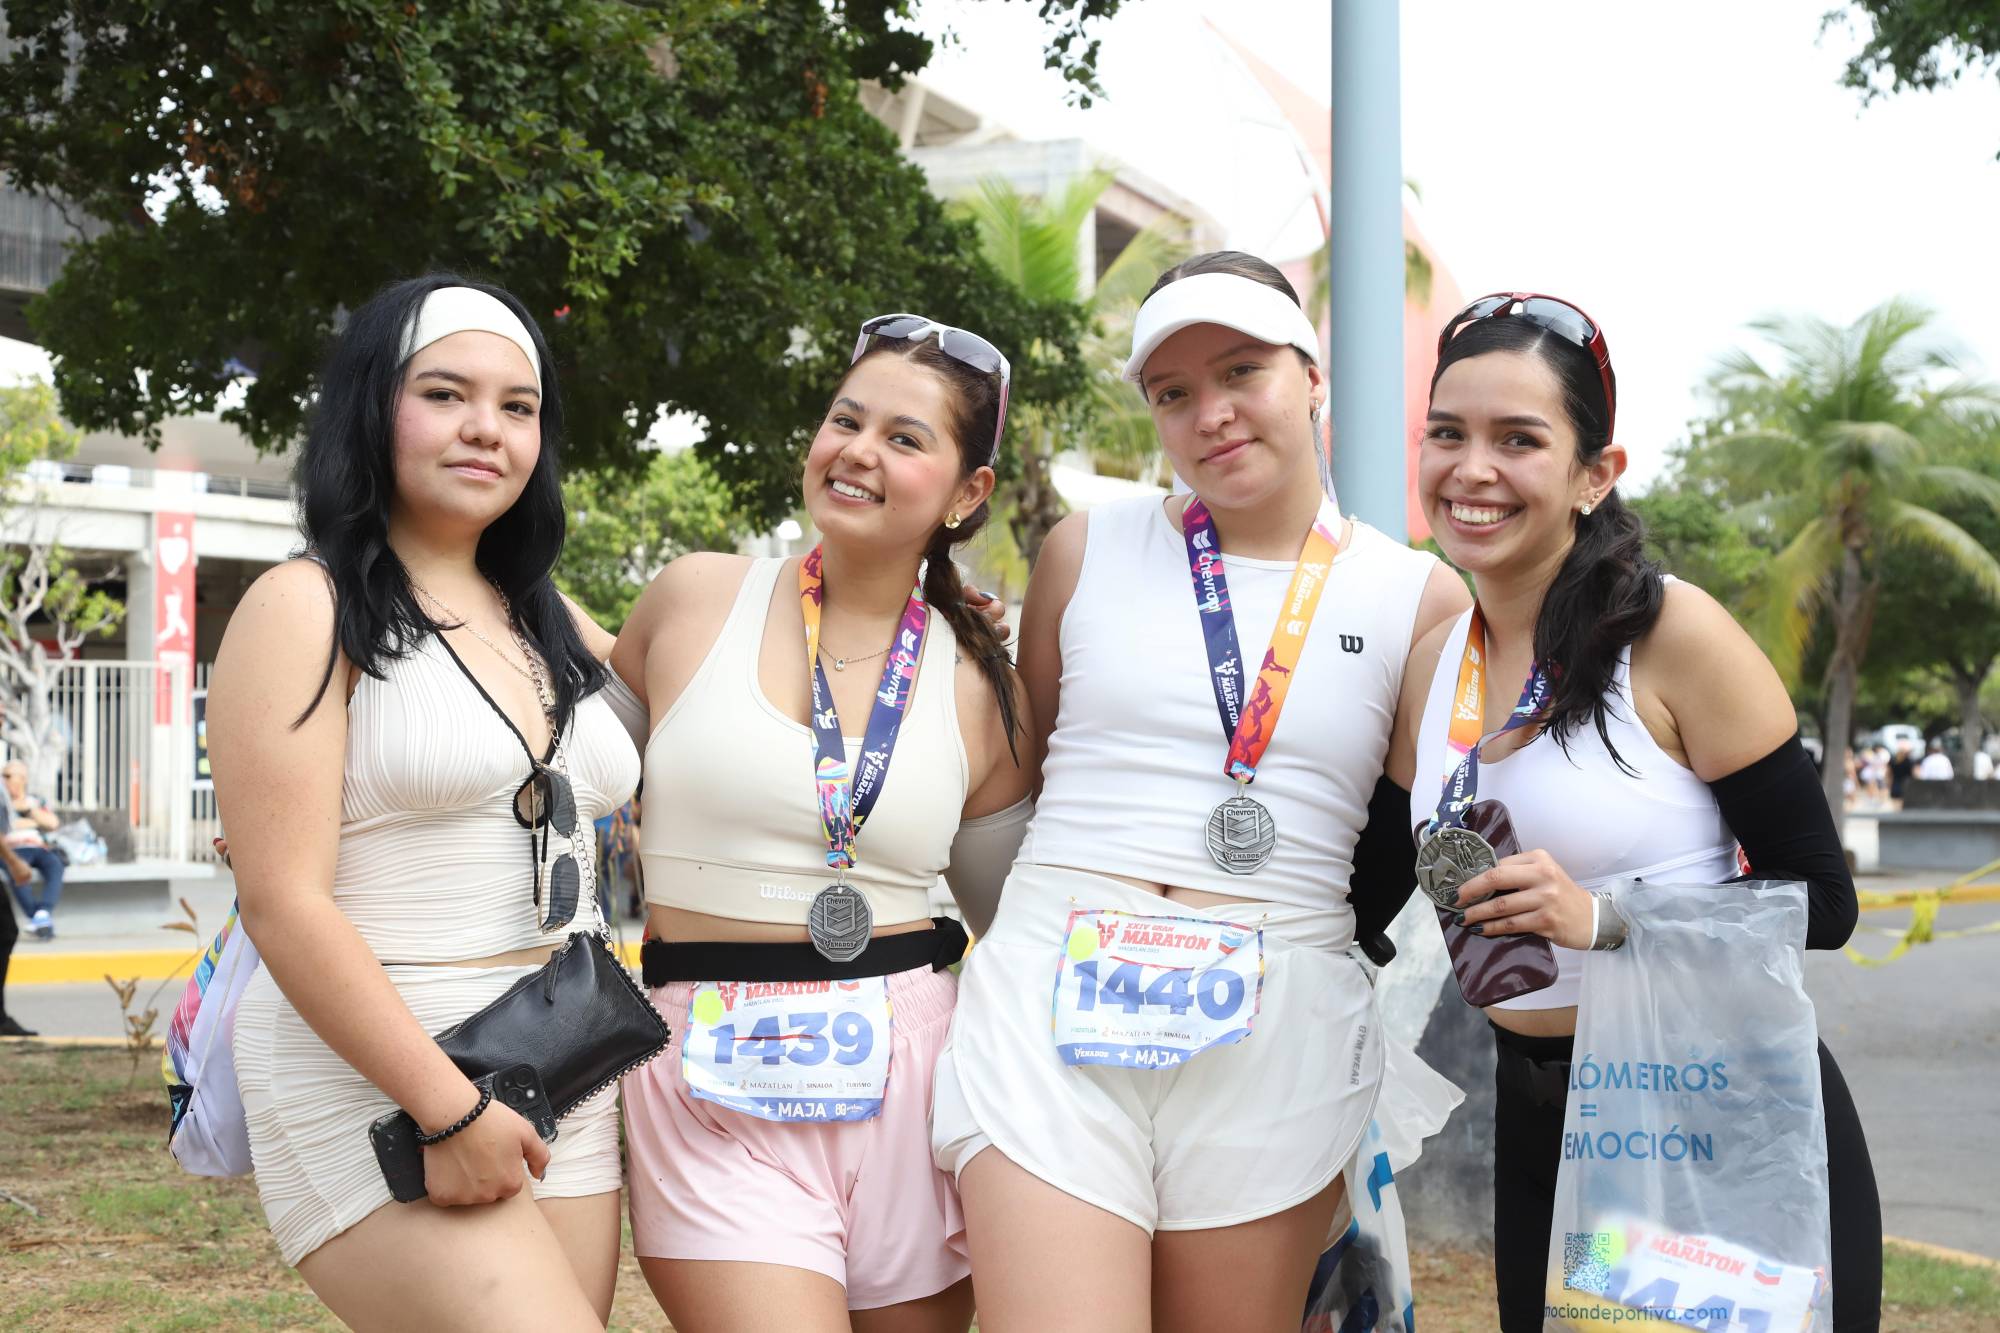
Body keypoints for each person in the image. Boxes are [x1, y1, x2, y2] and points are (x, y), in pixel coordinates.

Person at [931, 252, 1469, 1333]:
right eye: (1172, 394)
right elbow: (1014, 777)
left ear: (1310, 373)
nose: (1209, 414)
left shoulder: (1417, 595)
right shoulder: (1083, 549)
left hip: (1278, 1023)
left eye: (1239, 372)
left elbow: (1422, 831)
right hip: (1052, 995)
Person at [1404, 291, 1881, 1330]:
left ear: (1592, 474)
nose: (1469, 469)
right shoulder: (1442, 656)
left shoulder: (1667, 633)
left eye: (1516, 439)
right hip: (1535, 1120)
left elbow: (1824, 901)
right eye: (1446, 433)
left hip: (1706, 1111)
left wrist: (1606, 922)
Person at [207, 275, 638, 1329]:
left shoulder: (550, 617)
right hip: (383, 1066)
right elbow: (282, 900)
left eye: (517, 405)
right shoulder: (304, 607)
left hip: (566, 1046)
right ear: (371, 407)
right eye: (443, 394)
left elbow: (720, 716)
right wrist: (448, 1110)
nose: (485, 428)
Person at [608, 313, 1034, 1332]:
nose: (856, 451)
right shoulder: (693, 599)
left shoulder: (978, 680)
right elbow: (562, 756)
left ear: (967, 492)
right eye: (846, 419)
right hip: (709, 1074)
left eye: (904, 437)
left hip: (915, 1081)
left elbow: (1019, 918)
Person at [4, 761, 65, 941]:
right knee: (16, 869)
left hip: (38, 846)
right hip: (11, 848)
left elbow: (52, 823)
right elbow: (7, 827)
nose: (3, 780)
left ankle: (42, 914)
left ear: (22, 779)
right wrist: (35, 821)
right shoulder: (2, 800)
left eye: (8, 776)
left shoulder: (35, 800)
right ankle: (39, 918)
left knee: (56, 865)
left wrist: (30, 811)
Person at [1887, 739, 1916, 807]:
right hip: (1906, 785)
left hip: (1895, 784)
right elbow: (1913, 774)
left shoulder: (1893, 760)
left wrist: (1888, 785)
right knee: (1903, 806)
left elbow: (1888, 774)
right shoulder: (1909, 761)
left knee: (1895, 806)